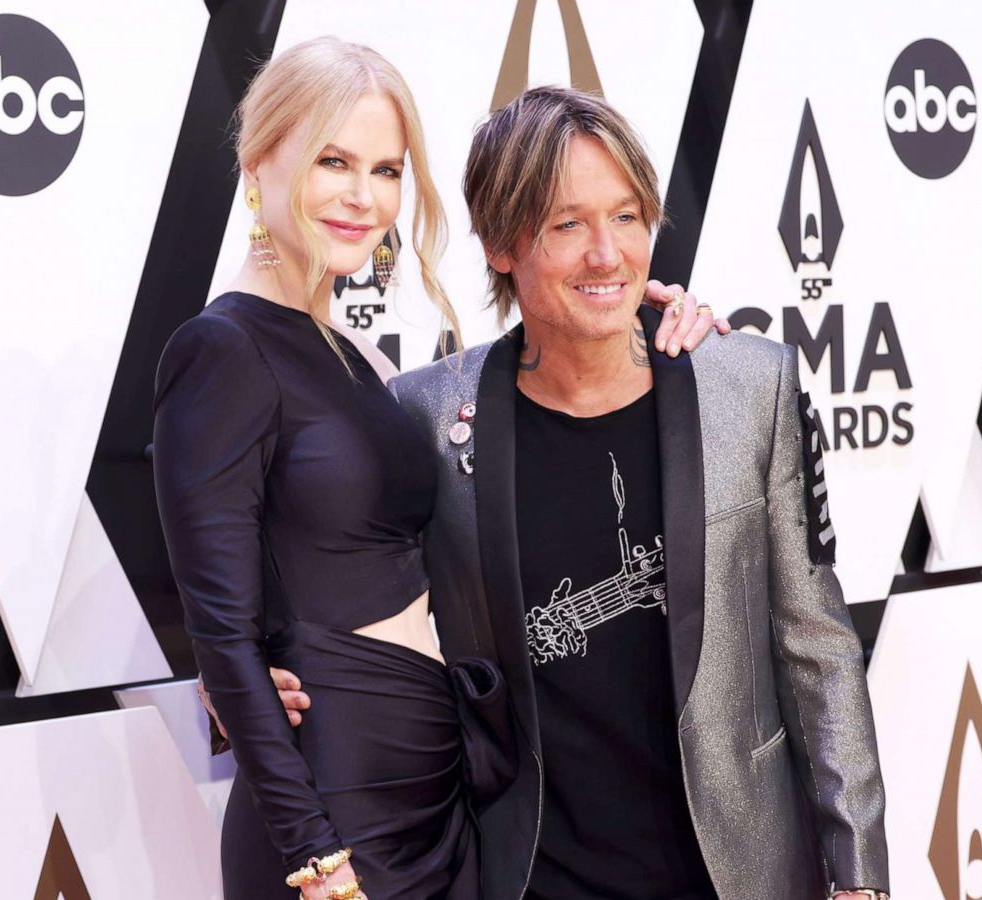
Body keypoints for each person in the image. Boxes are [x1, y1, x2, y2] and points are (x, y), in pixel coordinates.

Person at [254, 87, 891, 899]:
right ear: (499, 244)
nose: (608, 254)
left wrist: (859, 875)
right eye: (567, 224)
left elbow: (819, 648)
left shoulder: (747, 387)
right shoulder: (424, 419)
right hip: (529, 873)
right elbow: (329, 583)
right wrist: (242, 671)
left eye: (627, 218)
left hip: (738, 871)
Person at [155, 40, 723, 900]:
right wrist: (315, 857)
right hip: (339, 813)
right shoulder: (220, 349)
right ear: (257, 158)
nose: (362, 196)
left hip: (438, 799)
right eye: (331, 161)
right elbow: (222, 632)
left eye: (386, 170)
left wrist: (618, 307)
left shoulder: (359, 361)